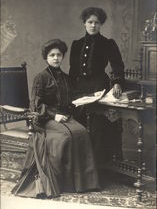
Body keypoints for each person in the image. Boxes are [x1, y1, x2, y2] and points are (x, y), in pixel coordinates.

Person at [12, 39, 100, 199]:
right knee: (66, 136)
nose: (56, 58)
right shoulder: (41, 77)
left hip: (64, 117)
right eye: (52, 55)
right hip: (45, 119)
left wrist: (86, 99)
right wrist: (54, 115)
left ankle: (83, 183)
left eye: (59, 55)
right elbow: (36, 104)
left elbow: (71, 98)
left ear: (62, 57)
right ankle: (65, 182)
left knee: (82, 132)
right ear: (46, 57)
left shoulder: (66, 78)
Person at [69, 7, 125, 169]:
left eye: (97, 23)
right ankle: (80, 167)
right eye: (90, 22)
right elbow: (73, 70)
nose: (93, 26)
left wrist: (117, 82)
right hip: (79, 88)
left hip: (99, 87)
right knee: (78, 126)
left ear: (101, 25)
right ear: (84, 24)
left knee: (98, 127)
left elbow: (117, 65)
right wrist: (70, 91)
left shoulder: (107, 44)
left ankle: (98, 167)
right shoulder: (77, 44)